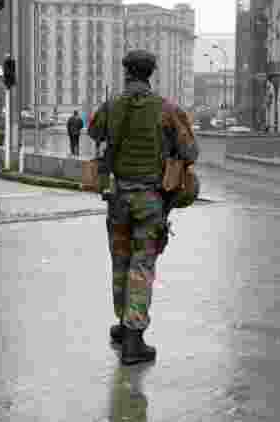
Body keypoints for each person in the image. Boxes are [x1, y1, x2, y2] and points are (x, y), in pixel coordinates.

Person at [88, 50, 199, 365]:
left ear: (127, 73)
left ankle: (123, 325)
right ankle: (134, 340)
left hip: (118, 198)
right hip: (151, 201)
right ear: (150, 74)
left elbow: (93, 131)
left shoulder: (112, 106)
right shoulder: (167, 110)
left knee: (120, 263)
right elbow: (191, 151)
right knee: (142, 266)